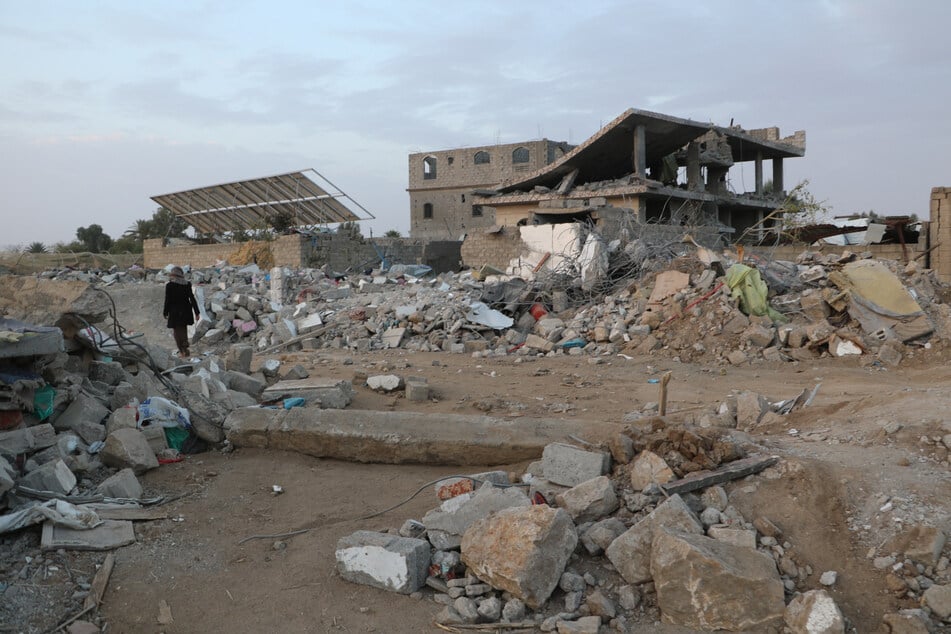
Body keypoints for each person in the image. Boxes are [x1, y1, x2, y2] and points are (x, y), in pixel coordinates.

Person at [163, 266, 200, 358]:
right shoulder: (187, 284)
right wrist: (197, 312)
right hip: (186, 311)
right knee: (183, 328)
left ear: (173, 275)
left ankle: (182, 351)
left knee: (176, 331)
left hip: (175, 312)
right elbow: (192, 298)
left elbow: (167, 300)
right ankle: (185, 346)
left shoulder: (170, 285)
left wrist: (165, 312)